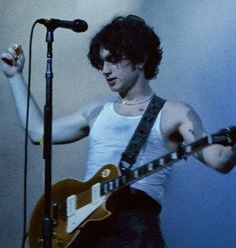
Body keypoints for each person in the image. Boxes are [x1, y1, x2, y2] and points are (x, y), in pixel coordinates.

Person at [1, 14, 236, 247]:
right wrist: (15, 77)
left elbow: (220, 160)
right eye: (101, 62)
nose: (105, 69)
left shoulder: (173, 112)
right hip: (86, 228)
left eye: (113, 60)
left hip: (135, 229)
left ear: (141, 59)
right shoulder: (95, 112)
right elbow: (37, 132)